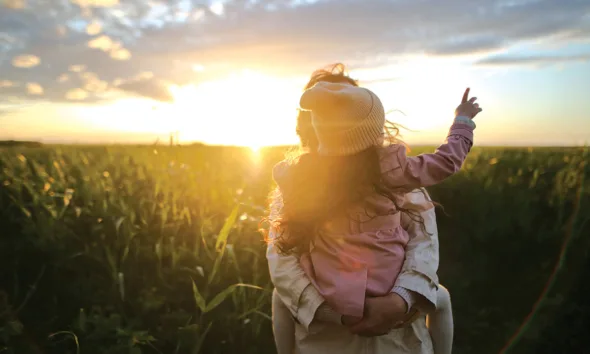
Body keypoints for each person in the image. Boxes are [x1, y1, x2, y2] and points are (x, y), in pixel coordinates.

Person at [266, 64, 481, 354]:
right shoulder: (396, 175)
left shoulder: (298, 180)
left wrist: (398, 301)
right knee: (441, 298)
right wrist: (463, 123)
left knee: (280, 299)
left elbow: (423, 245)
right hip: (328, 336)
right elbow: (284, 264)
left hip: (395, 335)